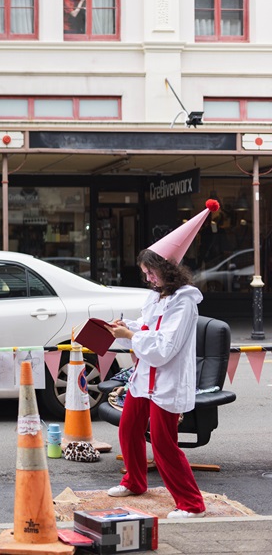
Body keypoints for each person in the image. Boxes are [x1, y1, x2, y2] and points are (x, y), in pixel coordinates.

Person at [104, 200, 221, 519]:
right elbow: (147, 325)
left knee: (164, 444)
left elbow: (165, 347)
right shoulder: (156, 295)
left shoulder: (185, 303)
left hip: (167, 381)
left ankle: (191, 504)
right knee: (128, 429)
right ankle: (135, 481)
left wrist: (130, 337)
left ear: (166, 270)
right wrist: (126, 326)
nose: (146, 277)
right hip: (145, 377)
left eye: (149, 272)